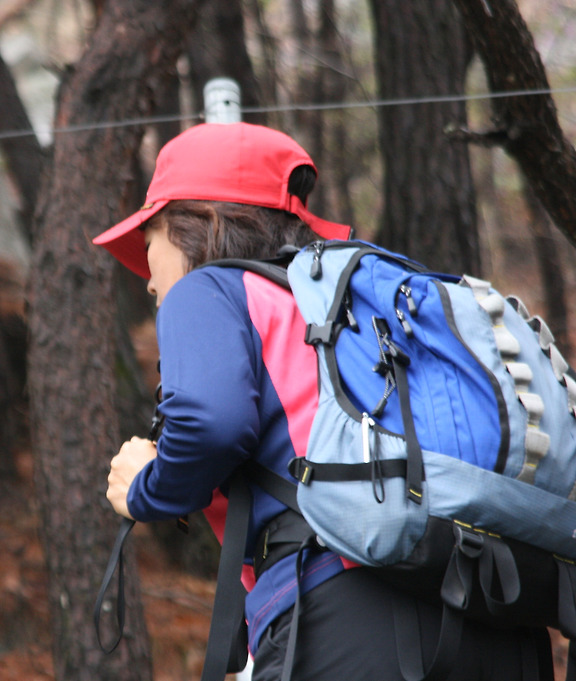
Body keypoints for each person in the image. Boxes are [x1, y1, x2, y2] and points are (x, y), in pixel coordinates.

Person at [92, 122, 552, 680]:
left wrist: (146, 486)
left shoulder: (210, 290)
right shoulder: (347, 311)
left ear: (197, 225)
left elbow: (211, 423)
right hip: (498, 617)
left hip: (343, 612)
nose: (147, 280)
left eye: (149, 243)